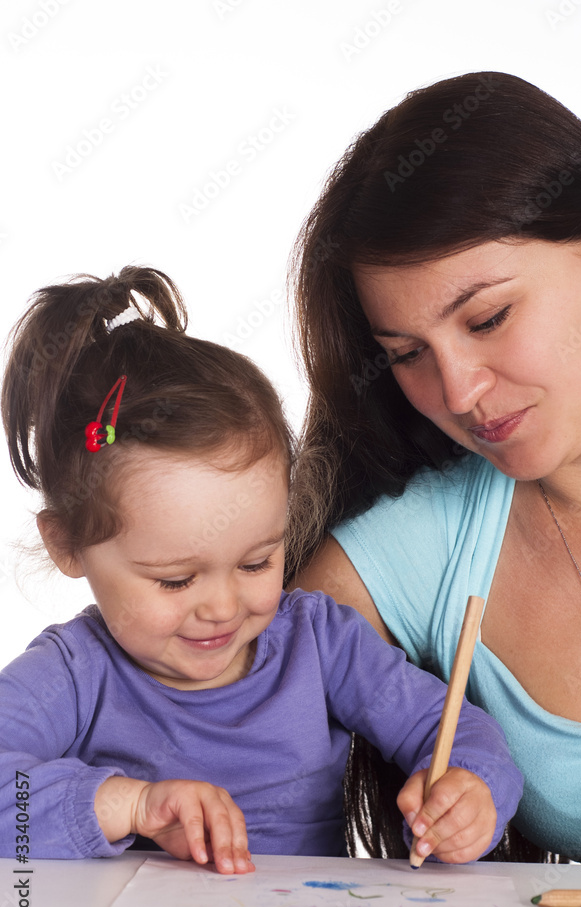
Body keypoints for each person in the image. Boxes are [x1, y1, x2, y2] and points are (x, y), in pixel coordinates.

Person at [0, 266, 522, 874]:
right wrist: (133, 805)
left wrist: (470, 790)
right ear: (67, 545)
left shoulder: (319, 642)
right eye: (175, 580)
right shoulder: (72, 674)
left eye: (256, 562)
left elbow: (454, 730)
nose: (223, 607)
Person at [290, 71, 581, 866]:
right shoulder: (427, 544)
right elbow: (209, 691)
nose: (457, 392)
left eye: (488, 318)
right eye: (407, 354)